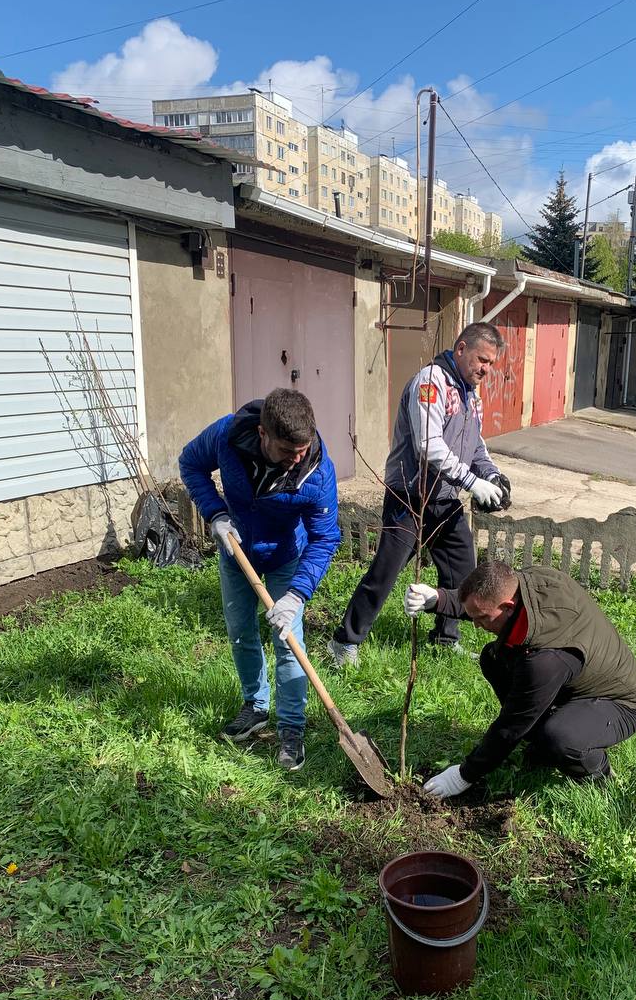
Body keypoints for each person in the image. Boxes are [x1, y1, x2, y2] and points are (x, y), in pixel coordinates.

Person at [328, 322, 512, 666]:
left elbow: (475, 446)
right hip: (409, 497)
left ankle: (445, 638)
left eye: (491, 364)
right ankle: (344, 642)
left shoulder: (471, 393)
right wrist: (472, 483)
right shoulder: (431, 383)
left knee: (462, 569)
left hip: (443, 499)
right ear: (460, 349)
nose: (485, 369)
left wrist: (491, 474)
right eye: (481, 360)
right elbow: (429, 447)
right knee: (386, 571)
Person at [179, 388, 339, 772]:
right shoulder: (227, 436)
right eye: (288, 451)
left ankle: (292, 728)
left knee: (288, 641)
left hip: (286, 556)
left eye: (303, 449)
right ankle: (256, 705)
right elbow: (190, 463)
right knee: (240, 632)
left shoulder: (316, 472)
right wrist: (215, 513)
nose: (296, 459)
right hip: (236, 551)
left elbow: (326, 537)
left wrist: (297, 595)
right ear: (263, 434)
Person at [404, 559, 636, 798]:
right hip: (576, 679)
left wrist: (465, 775)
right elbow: (488, 598)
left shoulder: (546, 659)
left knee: (560, 738)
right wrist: (439, 599)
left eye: (482, 619)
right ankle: (541, 742)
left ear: (509, 607)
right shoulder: (525, 583)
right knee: (494, 659)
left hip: (619, 703)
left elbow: (511, 724)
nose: (476, 626)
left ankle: (600, 779)